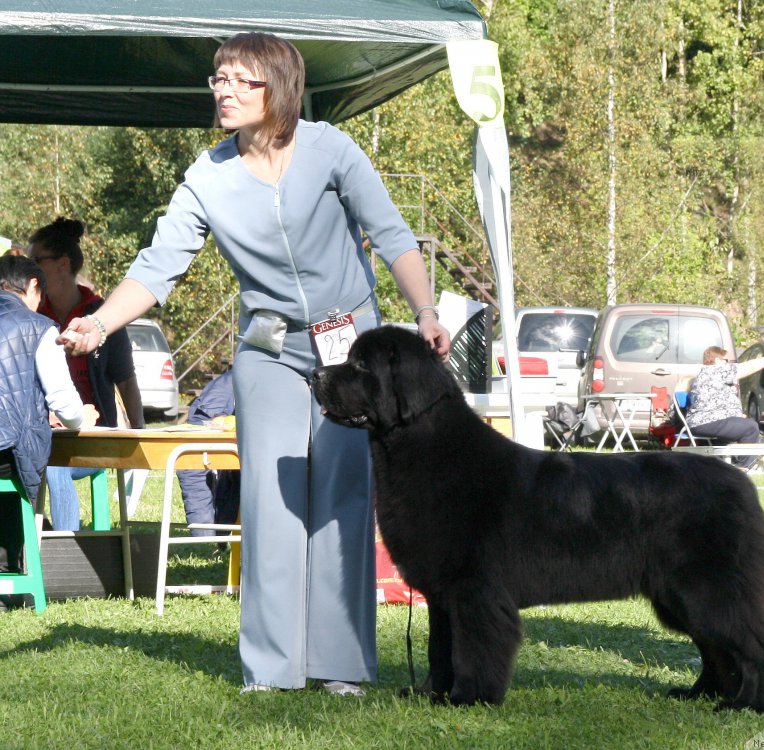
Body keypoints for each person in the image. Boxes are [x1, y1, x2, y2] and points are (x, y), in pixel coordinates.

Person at [59, 32, 450, 694]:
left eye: (242, 81)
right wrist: (98, 324)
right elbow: (158, 267)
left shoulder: (331, 149)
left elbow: (389, 232)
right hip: (267, 347)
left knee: (341, 495)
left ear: (280, 89)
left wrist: (427, 311)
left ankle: (341, 666)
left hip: (346, 339)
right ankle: (270, 671)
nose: (224, 91)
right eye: (219, 79)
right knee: (269, 500)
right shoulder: (206, 177)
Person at [28, 217, 144, 531]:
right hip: (41, 436)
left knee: (54, 466)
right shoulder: (33, 315)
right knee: (42, 459)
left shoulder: (101, 316)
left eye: (35, 261)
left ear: (62, 265)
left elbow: (126, 379)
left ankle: (64, 551)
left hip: (93, 439)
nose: (29, 269)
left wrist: (140, 432)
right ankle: (35, 539)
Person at [0, 255, 98, 610]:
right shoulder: (38, 326)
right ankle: (11, 579)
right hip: (7, 452)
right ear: (33, 286)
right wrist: (79, 417)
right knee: (19, 471)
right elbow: (63, 400)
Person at [685, 345, 764, 470]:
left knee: (743, 423)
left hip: (702, 422)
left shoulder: (704, 374)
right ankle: (743, 467)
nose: (730, 364)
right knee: (751, 427)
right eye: (727, 361)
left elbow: (715, 403)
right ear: (717, 361)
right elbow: (750, 367)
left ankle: (729, 467)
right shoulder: (718, 370)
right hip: (707, 422)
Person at [177, 369, 240, 540]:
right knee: (194, 469)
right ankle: (206, 540)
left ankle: (218, 537)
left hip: (230, 405)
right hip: (211, 415)